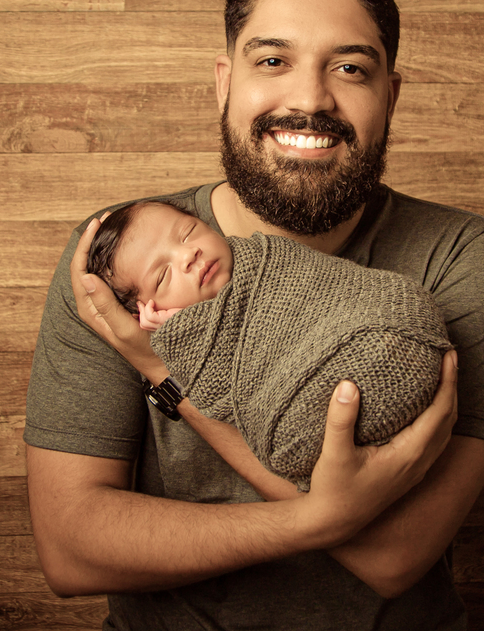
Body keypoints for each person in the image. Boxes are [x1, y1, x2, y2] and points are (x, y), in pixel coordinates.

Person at [25, 0, 484, 631]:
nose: (311, 99)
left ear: (391, 94)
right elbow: (72, 552)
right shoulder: (118, 256)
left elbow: (394, 558)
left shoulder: (461, 256)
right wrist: (319, 518)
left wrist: (166, 377)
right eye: (273, 61)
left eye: (350, 68)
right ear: (224, 82)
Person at [85, 199, 454, 490]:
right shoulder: (175, 334)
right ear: (146, 311)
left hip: (383, 318)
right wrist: (179, 333)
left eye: (188, 233)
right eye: (163, 275)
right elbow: (220, 393)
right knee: (295, 436)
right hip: (317, 392)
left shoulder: (268, 257)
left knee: (400, 306)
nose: (188, 255)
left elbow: (331, 289)